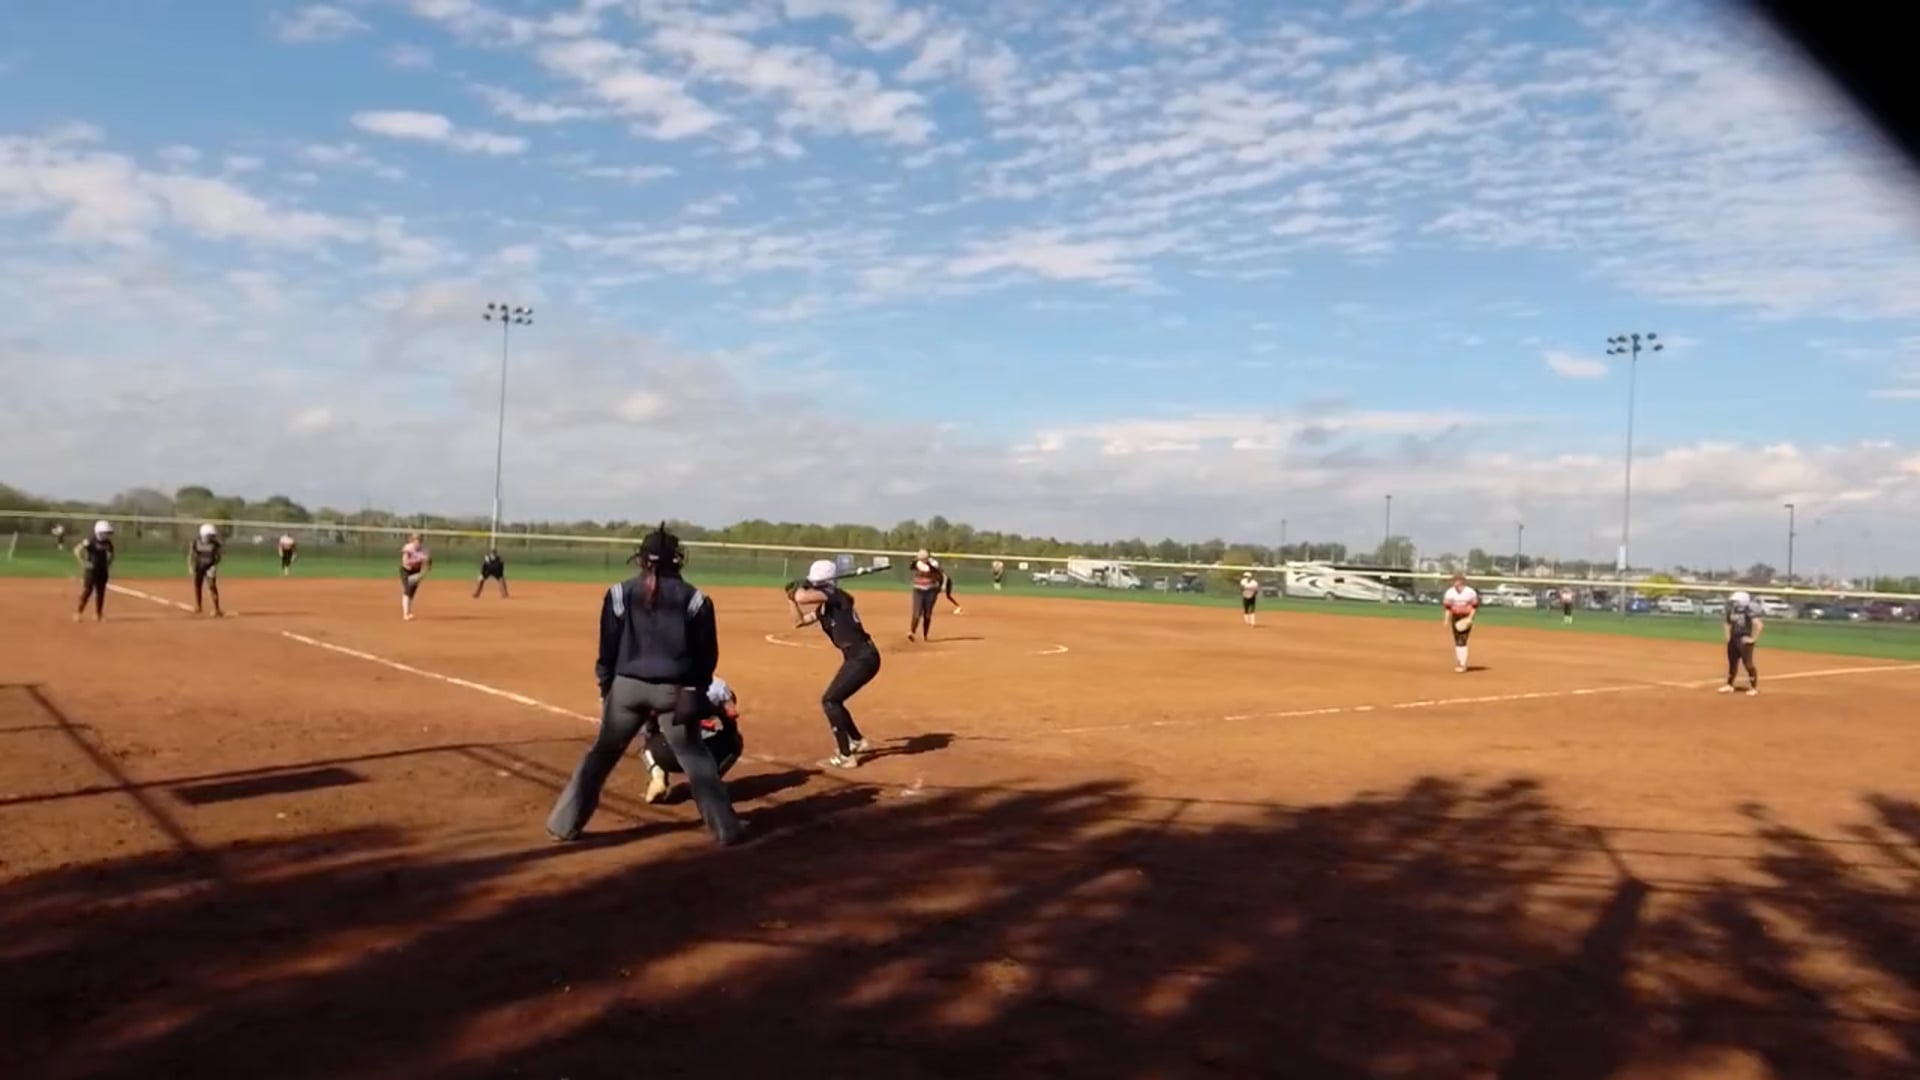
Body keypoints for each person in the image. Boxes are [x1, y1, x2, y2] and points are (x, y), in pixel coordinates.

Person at [548, 524, 743, 846]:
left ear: (640, 559)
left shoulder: (619, 593)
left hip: (626, 688)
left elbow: (607, 652)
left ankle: (562, 824)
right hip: (675, 690)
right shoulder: (696, 600)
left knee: (601, 755)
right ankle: (726, 829)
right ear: (678, 559)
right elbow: (707, 657)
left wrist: (608, 689)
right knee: (696, 758)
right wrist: (693, 691)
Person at [787, 558, 880, 768]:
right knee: (835, 699)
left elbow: (803, 596)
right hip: (856, 657)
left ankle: (846, 756)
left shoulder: (836, 595)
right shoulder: (825, 606)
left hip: (864, 657)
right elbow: (799, 621)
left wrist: (798, 590)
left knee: (830, 701)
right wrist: (790, 599)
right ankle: (857, 740)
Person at [639, 675, 743, 804]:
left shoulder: (662, 682)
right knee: (735, 741)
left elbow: (649, 721)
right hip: (705, 755)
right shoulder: (718, 685)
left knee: (648, 741)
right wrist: (708, 717)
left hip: (668, 753)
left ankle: (657, 776)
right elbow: (731, 714)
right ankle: (706, 784)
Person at [1720, 591, 1763, 696]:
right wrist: (1728, 637)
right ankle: (1729, 685)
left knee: (1748, 664)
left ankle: (1753, 688)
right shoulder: (1731, 610)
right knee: (1732, 663)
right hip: (1733, 639)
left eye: (1736, 601)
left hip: (1744, 640)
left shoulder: (1748, 611)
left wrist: (1753, 639)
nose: (1734, 603)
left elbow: (1759, 625)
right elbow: (1727, 623)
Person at [72, 520, 115, 623]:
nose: (107, 535)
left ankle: (98, 614)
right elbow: (77, 550)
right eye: (105, 532)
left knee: (101, 592)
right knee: (88, 591)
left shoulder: (107, 542)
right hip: (91, 570)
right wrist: (83, 563)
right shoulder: (90, 540)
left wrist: (109, 563)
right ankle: (78, 612)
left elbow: (111, 553)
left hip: (102, 570)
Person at [1441, 572, 1480, 673]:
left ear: (1462, 581)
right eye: (1454, 580)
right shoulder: (1450, 592)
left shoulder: (1470, 592)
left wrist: (1470, 619)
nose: (1454, 582)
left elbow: (1474, 607)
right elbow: (1448, 608)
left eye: (1456, 580)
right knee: (1457, 640)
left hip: (1466, 617)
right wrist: (1446, 620)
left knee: (1462, 640)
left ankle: (1462, 664)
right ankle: (1460, 661)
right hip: (1455, 617)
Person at [188, 523, 225, 617]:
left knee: (212, 586)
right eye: (210, 535)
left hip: (210, 567)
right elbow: (191, 555)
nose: (212, 537)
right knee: (197, 586)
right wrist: (190, 567)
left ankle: (217, 609)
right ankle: (198, 606)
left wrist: (214, 566)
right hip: (198, 567)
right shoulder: (196, 542)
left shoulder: (215, 544)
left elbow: (219, 556)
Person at [907, 548, 943, 641]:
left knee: (927, 614)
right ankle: (912, 632)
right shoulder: (918, 563)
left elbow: (936, 572)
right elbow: (911, 567)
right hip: (918, 590)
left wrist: (939, 587)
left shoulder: (934, 563)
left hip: (931, 590)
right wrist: (917, 560)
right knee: (917, 613)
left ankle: (925, 635)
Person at [398, 533, 432, 621]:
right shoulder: (408, 548)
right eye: (415, 540)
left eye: (419, 540)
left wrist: (424, 571)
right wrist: (415, 561)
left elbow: (429, 562)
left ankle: (409, 612)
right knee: (407, 589)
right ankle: (405, 614)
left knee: (412, 592)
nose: (417, 542)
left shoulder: (425, 550)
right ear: (412, 541)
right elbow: (405, 561)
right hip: (405, 570)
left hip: (416, 571)